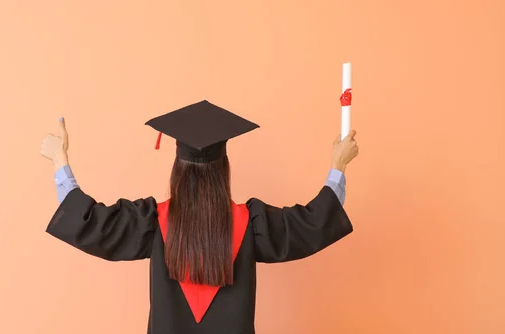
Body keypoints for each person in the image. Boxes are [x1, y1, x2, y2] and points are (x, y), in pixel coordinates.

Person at [40, 100, 359, 334]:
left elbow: (93, 222)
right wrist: (338, 166)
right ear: (224, 169)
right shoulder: (251, 224)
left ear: (178, 169)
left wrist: (60, 161)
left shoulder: (151, 223)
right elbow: (312, 223)